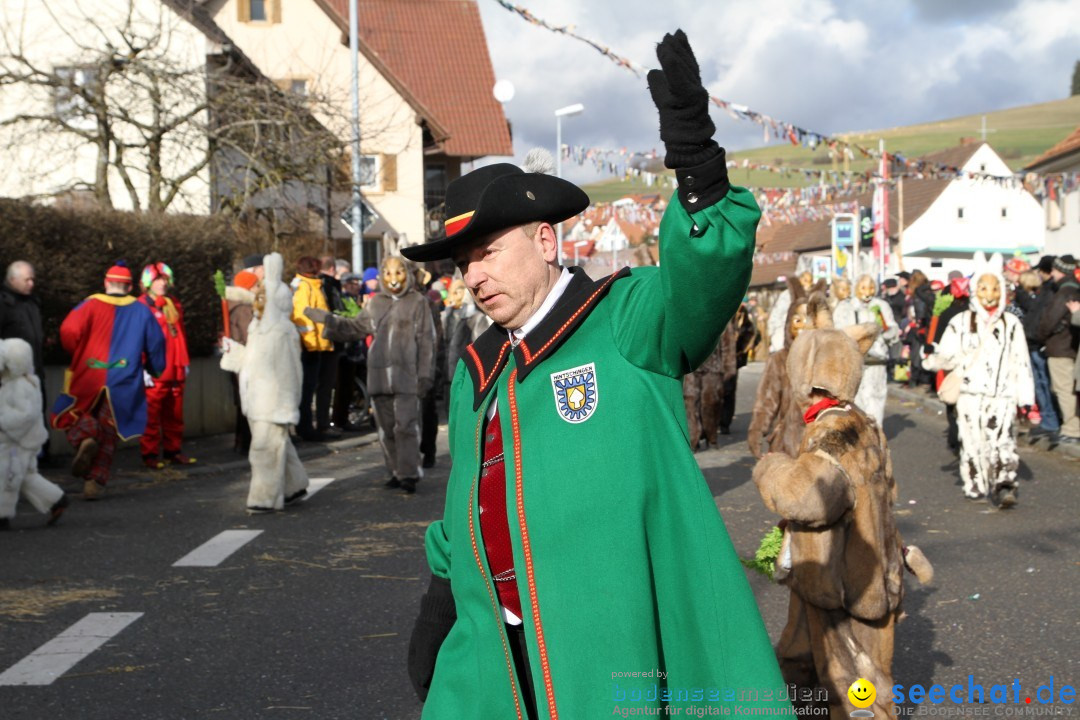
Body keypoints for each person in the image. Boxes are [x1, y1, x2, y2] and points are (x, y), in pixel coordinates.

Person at [398, 31, 789, 719]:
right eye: (463, 264)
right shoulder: (476, 370)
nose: (474, 276)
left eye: (487, 252)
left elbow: (702, 284)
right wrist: (440, 598)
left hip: (611, 653)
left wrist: (697, 168)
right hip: (495, 655)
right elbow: (466, 499)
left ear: (545, 241)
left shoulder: (625, 320)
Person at [753, 316, 932, 719]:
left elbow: (809, 497)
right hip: (826, 573)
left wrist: (772, 468)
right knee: (799, 661)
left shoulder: (833, 431)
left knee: (857, 690)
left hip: (845, 580)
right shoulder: (864, 422)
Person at [305, 256, 436, 494]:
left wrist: (425, 376)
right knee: (385, 429)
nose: (394, 279)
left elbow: (426, 341)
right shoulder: (375, 303)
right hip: (378, 377)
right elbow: (355, 328)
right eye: (388, 273)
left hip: (407, 377)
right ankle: (395, 471)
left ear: (407, 274)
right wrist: (328, 320)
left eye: (399, 273)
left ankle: (409, 473)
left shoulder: (418, 302)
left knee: (406, 426)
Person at [923, 253, 1034, 507]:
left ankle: (1004, 483)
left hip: (1002, 393)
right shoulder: (961, 322)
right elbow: (946, 355)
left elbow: (1021, 362)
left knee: (1003, 439)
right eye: (983, 287)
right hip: (970, 393)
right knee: (972, 440)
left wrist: (1025, 398)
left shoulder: (1011, 323)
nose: (989, 294)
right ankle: (975, 482)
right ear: (975, 290)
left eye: (995, 287)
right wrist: (930, 359)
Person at [51, 263, 166, 500]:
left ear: (105, 283)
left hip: (88, 374)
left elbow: (68, 331)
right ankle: (95, 482)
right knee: (109, 430)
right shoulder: (142, 310)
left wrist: (78, 351)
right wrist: (155, 369)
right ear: (130, 286)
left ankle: (85, 436)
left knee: (71, 413)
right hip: (124, 378)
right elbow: (156, 343)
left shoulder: (88, 305)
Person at [220, 253, 309, 513]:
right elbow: (251, 360)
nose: (256, 303)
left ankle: (264, 497)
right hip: (257, 397)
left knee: (264, 450)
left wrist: (287, 405)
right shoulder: (258, 327)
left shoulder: (280, 331)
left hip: (272, 400)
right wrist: (233, 352)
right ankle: (294, 485)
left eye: (262, 299)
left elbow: (290, 371)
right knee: (278, 445)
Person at [0, 338, 68, 529]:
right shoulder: (25, 381)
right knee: (25, 476)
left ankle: (2, 515)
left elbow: (25, 415)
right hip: (25, 439)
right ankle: (57, 500)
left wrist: (3, 422)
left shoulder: (18, 386)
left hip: (16, 441)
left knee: (7, 476)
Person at [748, 278, 817, 458]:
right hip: (787, 444)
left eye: (809, 319)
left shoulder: (826, 359)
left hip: (820, 445)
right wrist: (757, 431)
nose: (803, 326)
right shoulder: (779, 360)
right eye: (797, 320)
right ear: (788, 324)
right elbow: (767, 401)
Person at [137, 263, 195, 468]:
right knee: (152, 413)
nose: (162, 284)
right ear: (147, 284)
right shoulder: (141, 306)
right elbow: (137, 338)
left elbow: (180, 334)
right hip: (155, 368)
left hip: (176, 365)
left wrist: (184, 361)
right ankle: (150, 454)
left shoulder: (174, 304)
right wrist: (142, 367)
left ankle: (173, 451)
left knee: (175, 413)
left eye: (164, 280)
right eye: (157, 280)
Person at [834, 274, 898, 426]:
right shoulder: (846, 307)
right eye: (863, 287)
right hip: (853, 360)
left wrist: (886, 329)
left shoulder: (882, 305)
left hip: (877, 360)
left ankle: (875, 433)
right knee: (855, 398)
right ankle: (859, 433)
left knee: (876, 397)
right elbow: (839, 332)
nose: (867, 292)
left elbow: (892, 329)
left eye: (871, 287)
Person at [0, 261, 49, 459]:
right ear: (12, 280)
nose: (31, 283)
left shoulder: (32, 302)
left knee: (38, 410)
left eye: (33, 279)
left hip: (34, 368)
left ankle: (41, 453)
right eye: (26, 279)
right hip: (12, 374)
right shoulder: (4, 303)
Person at [1034, 255, 1079, 447]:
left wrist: (1040, 336)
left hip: (1060, 346)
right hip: (1064, 346)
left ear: (1061, 270)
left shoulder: (1065, 292)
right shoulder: (1069, 289)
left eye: (1054, 269)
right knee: (1064, 388)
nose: (1051, 273)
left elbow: (1050, 319)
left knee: (1064, 389)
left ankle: (1072, 429)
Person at [291, 256, 336, 441]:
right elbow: (303, 317)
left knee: (310, 388)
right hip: (309, 347)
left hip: (314, 345)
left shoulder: (311, 285)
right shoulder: (305, 286)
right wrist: (311, 343)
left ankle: (307, 427)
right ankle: (305, 428)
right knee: (307, 389)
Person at [226, 268, 259, 454]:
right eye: (255, 285)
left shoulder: (232, 304)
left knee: (242, 401)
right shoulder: (244, 308)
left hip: (237, 358)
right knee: (248, 401)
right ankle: (246, 442)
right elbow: (250, 335)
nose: (257, 288)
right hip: (246, 358)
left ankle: (241, 440)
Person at [331, 272, 366, 432]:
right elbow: (349, 318)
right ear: (345, 285)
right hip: (346, 350)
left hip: (356, 349)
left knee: (350, 386)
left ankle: (344, 418)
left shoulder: (355, 299)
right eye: (353, 284)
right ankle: (340, 420)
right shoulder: (342, 299)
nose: (356, 287)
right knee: (343, 386)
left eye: (358, 283)